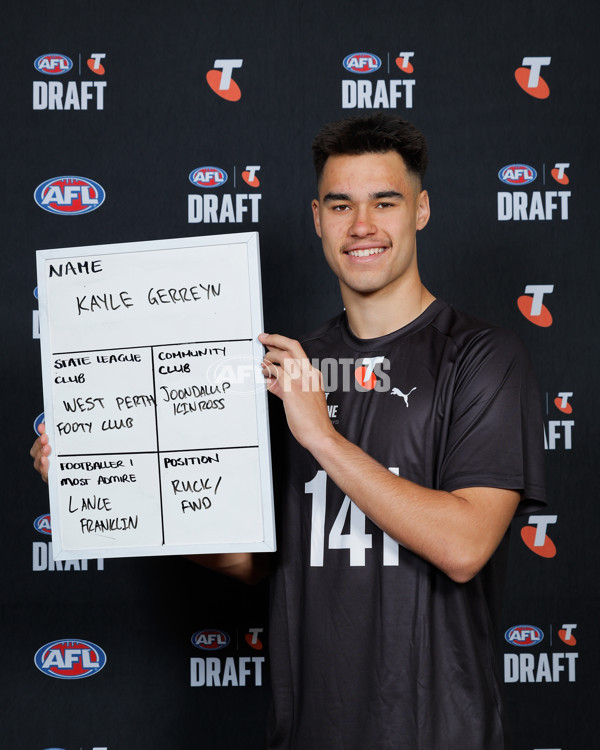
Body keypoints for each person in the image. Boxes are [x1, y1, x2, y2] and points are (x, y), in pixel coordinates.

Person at [32, 114, 546, 749]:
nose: (361, 225)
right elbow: (251, 560)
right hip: (306, 732)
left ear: (421, 210)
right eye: (341, 205)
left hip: (438, 733)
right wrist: (107, 493)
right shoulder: (287, 365)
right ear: (316, 218)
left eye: (384, 201)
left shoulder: (482, 357)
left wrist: (322, 436)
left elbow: (466, 546)